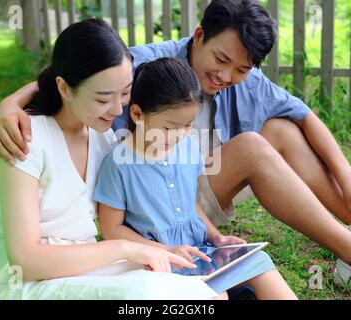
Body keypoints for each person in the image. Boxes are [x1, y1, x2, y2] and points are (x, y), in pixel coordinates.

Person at [0, 0, 351, 291]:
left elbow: (303, 113)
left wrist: (349, 182)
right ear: (199, 36)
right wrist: (11, 103)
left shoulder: (244, 79)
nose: (226, 75)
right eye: (220, 59)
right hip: (148, 196)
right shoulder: (145, 65)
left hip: (192, 184)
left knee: (283, 129)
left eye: (241, 69)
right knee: (252, 146)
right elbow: (77, 75)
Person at [0, 19, 220, 300]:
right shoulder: (23, 137)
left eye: (125, 93)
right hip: (24, 284)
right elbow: (26, 261)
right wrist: (127, 249)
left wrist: (164, 250)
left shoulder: (102, 137)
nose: (117, 108)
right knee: (151, 295)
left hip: (87, 267)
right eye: (104, 98)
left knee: (200, 291)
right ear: (65, 88)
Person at [94, 57, 298, 299]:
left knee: (258, 261)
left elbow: (191, 206)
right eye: (170, 127)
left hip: (198, 253)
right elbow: (111, 229)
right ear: (138, 114)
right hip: (155, 263)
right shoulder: (119, 163)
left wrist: (216, 237)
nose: (180, 134)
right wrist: (167, 250)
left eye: (188, 125)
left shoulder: (187, 147)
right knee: (215, 294)